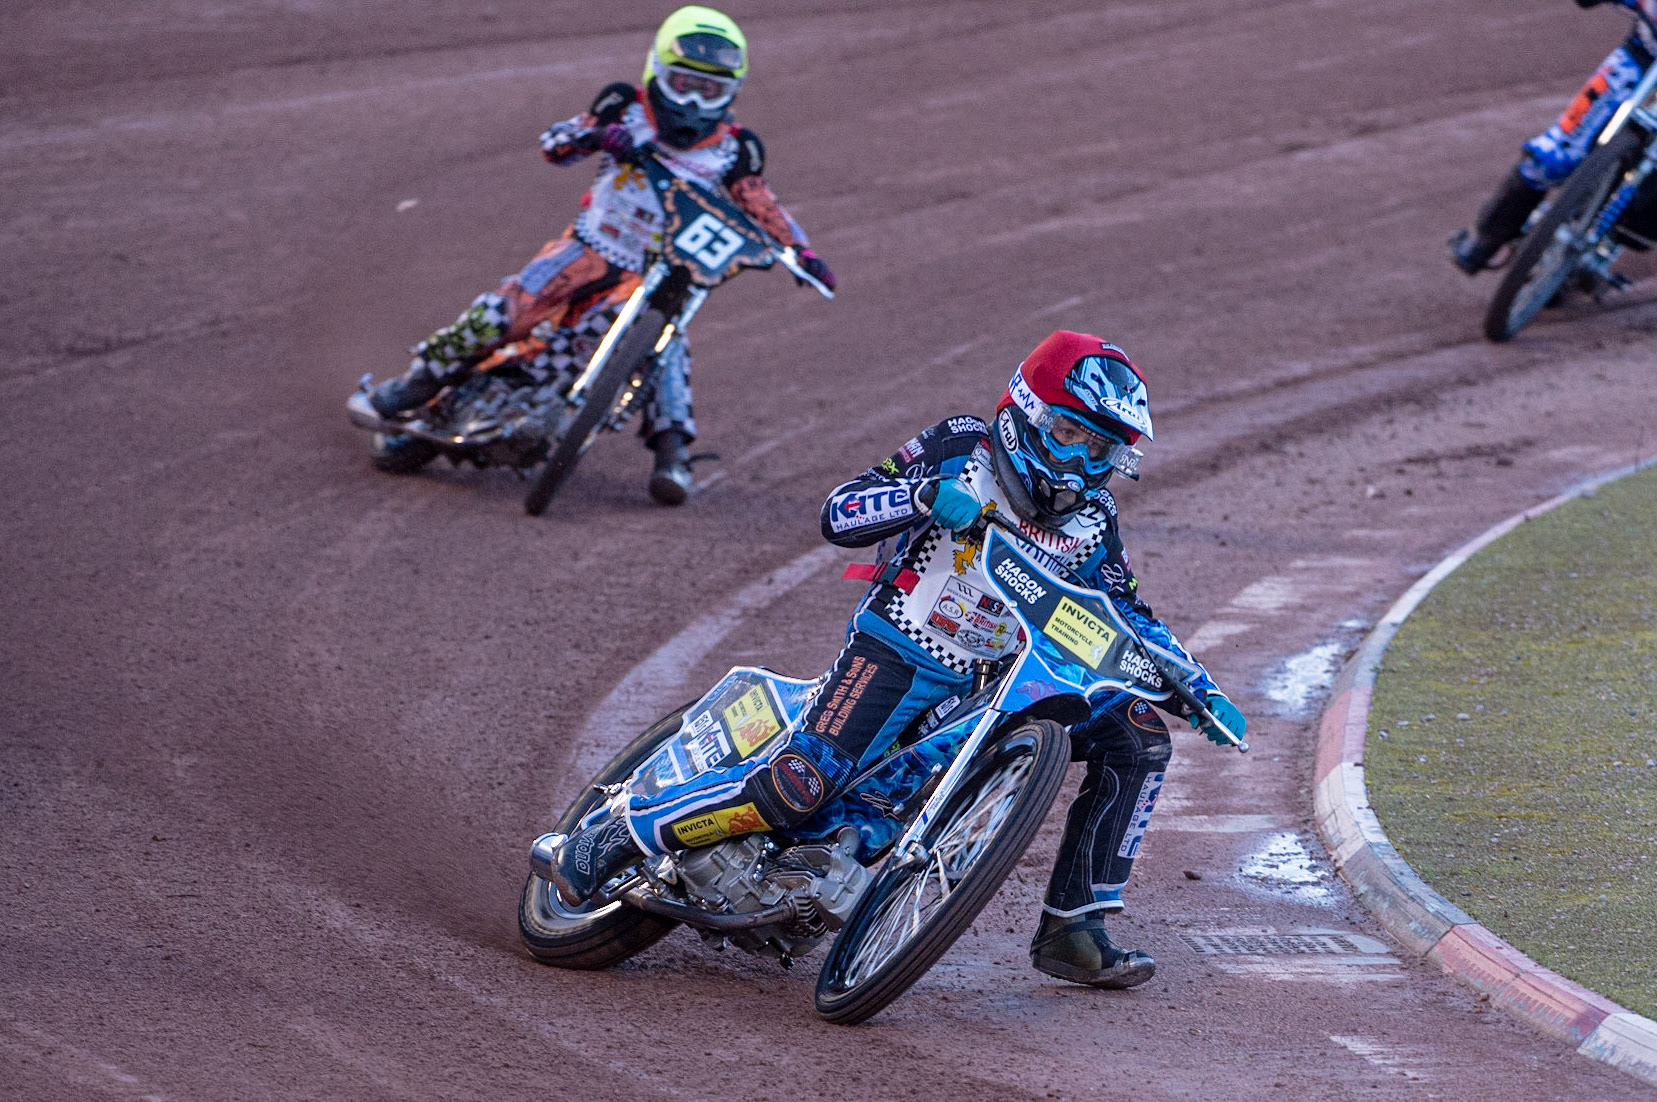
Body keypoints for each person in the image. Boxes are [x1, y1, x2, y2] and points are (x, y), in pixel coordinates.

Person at [546, 330, 1248, 989]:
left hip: (997, 682)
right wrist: (917, 496)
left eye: (1101, 451)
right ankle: (618, 836)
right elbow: (839, 512)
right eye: (1068, 435)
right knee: (797, 787)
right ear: (1027, 411)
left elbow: (1124, 609)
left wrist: (1197, 688)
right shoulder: (961, 445)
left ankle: (1073, 927)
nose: (1079, 464)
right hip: (898, 645)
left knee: (1138, 731)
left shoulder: (1094, 519)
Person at [356, 5, 833, 504]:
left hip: (663, 268)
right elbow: (554, 144)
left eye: (710, 90)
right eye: (683, 83)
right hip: (592, 247)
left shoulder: (736, 149)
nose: (693, 101)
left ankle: (672, 456)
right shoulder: (625, 106)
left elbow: (761, 202)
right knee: (507, 311)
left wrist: (803, 253)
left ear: (732, 90)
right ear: (657, 71)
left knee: (666, 344)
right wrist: (597, 135)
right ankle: (415, 385)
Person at [1450, 0, 1657, 274]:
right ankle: (1485, 238)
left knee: (1642, 219)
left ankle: (1606, 241)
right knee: (1554, 155)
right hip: (1641, 58)